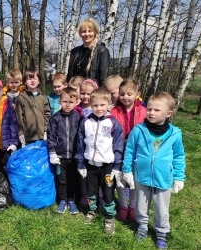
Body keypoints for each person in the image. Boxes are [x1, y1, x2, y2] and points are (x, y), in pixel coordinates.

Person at [122, 92, 186, 249]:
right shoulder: (138, 130)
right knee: (141, 205)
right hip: (141, 176)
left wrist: (179, 177)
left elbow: (179, 156)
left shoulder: (175, 134)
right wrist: (127, 171)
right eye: (149, 109)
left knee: (162, 208)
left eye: (157, 110)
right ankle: (142, 226)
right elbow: (129, 151)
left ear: (169, 113)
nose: (151, 112)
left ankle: (161, 233)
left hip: (163, 178)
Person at [76, 87, 124, 235]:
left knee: (108, 191)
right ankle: (92, 210)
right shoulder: (86, 122)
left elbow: (118, 144)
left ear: (109, 104)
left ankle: (109, 217)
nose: (98, 108)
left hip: (108, 166)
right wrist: (80, 163)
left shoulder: (113, 123)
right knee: (91, 190)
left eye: (102, 105)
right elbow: (79, 143)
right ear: (91, 105)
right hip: (90, 164)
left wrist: (117, 166)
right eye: (95, 105)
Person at [110, 79, 146, 221]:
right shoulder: (114, 111)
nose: (125, 97)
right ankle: (123, 205)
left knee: (134, 179)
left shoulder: (143, 111)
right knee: (120, 178)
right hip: (119, 148)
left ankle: (132, 206)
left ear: (137, 95)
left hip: (137, 150)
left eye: (129, 94)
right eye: (122, 94)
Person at [47, 87, 83, 214]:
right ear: (60, 102)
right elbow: (51, 136)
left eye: (71, 102)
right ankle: (62, 200)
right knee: (61, 179)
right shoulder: (54, 118)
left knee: (73, 179)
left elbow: (81, 137)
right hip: (60, 156)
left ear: (77, 102)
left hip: (74, 156)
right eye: (65, 101)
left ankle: (71, 200)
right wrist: (52, 152)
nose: (67, 105)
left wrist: (80, 154)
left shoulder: (79, 118)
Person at [66, 18, 110, 86]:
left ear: (95, 33)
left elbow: (103, 79)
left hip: (91, 93)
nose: (87, 34)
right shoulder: (74, 52)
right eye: (84, 31)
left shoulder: (102, 51)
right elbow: (69, 76)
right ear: (80, 34)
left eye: (90, 31)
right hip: (74, 92)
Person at [15, 69, 50, 146]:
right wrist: (20, 133)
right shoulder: (21, 97)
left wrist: (46, 130)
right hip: (28, 136)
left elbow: (47, 114)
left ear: (39, 81)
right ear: (24, 82)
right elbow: (19, 117)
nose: (32, 81)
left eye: (35, 78)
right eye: (29, 79)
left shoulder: (43, 97)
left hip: (41, 135)